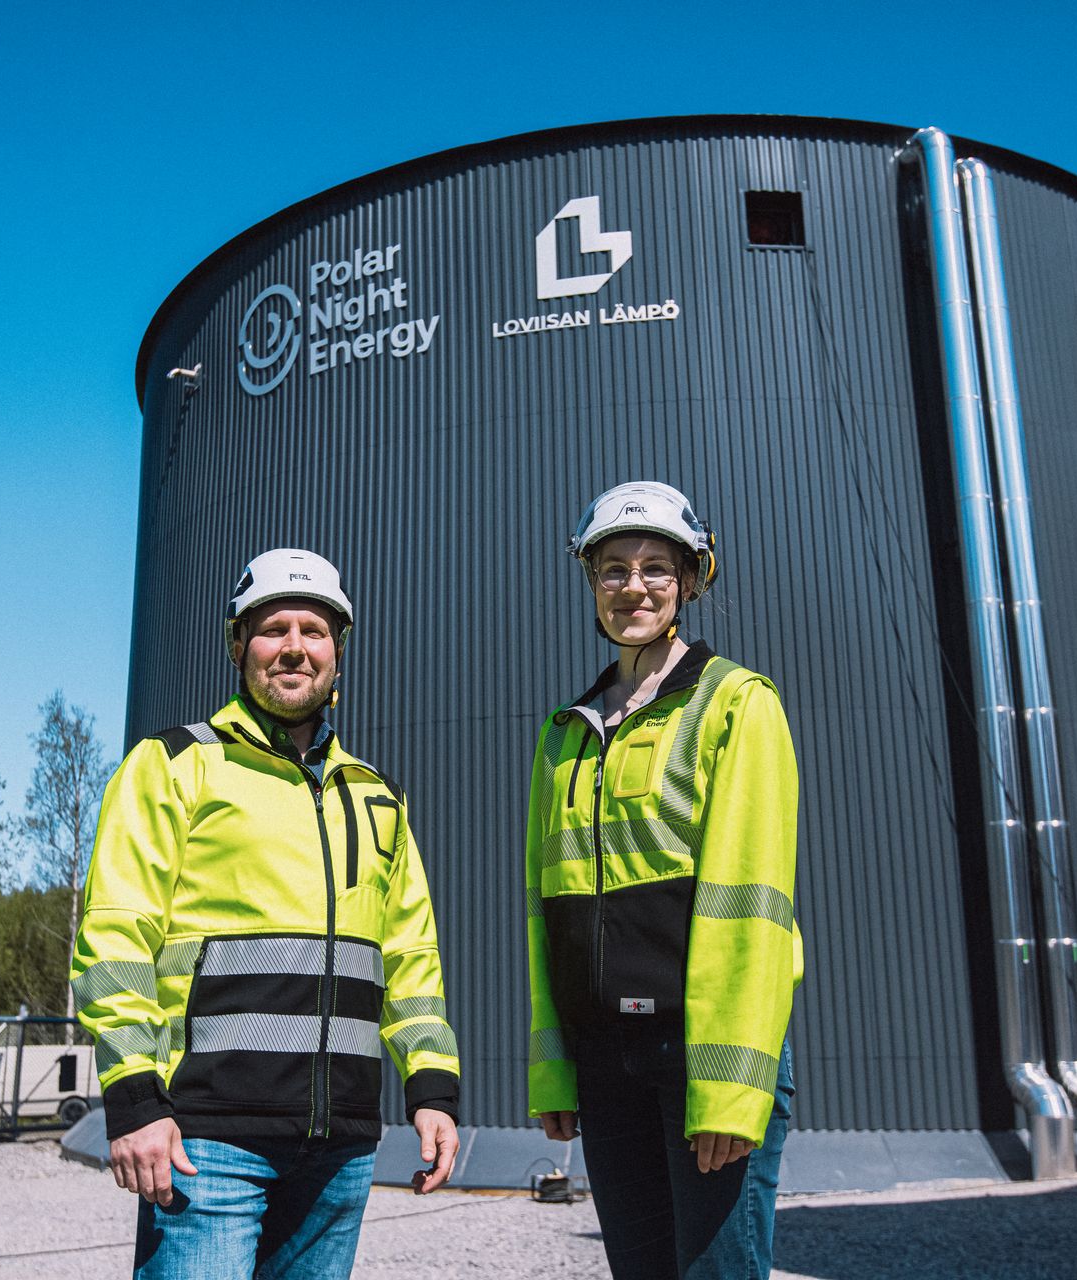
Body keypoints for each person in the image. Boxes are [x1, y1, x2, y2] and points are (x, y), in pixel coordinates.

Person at [73, 548, 461, 1280]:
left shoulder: (376, 798)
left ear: (338, 653)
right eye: (272, 628)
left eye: (313, 630)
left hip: (340, 1148)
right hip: (204, 1141)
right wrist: (132, 1099)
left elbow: (410, 956)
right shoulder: (174, 765)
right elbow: (115, 938)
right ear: (238, 646)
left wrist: (432, 1085)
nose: (293, 647)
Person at [525, 482, 802, 1279]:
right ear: (591, 582)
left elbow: (750, 906)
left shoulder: (736, 705)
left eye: (655, 567)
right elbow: (547, 919)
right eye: (613, 569)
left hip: (702, 1058)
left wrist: (729, 1087)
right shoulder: (565, 735)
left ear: (690, 579)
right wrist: (555, 1069)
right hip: (607, 1062)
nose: (633, 586)